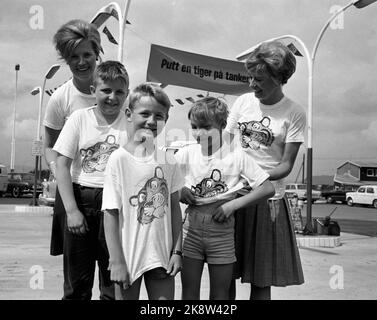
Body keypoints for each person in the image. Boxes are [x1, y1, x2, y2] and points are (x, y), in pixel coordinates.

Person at [225, 41, 306, 300]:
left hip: (267, 201)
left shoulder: (294, 112)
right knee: (224, 272)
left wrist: (255, 176)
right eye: (250, 77)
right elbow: (224, 146)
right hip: (233, 195)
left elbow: (285, 165)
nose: (252, 84)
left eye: (259, 79)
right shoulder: (243, 103)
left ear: (279, 78)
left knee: (260, 279)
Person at [175, 97, 275, 300]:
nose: (199, 133)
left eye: (205, 127)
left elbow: (267, 188)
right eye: (194, 127)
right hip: (191, 231)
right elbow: (167, 184)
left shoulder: (237, 156)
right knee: (189, 293)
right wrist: (180, 191)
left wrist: (233, 205)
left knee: (220, 295)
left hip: (221, 233)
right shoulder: (185, 154)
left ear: (222, 125)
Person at [53, 60, 130, 300]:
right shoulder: (79, 119)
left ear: (127, 93)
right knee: (77, 284)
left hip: (116, 206)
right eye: (106, 90)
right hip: (82, 200)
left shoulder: (131, 124)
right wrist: (72, 210)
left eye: (119, 91)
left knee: (113, 284)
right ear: (93, 91)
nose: (112, 97)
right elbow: (61, 165)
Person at [101, 83, 183, 300]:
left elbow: (175, 209)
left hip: (162, 257)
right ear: (129, 114)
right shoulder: (118, 159)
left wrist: (177, 251)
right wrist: (116, 260)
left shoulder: (168, 159)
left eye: (159, 115)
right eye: (145, 113)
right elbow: (110, 214)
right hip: (128, 258)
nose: (152, 121)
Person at [43, 19, 103, 256]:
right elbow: (50, 146)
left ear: (97, 53)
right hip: (74, 191)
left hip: (109, 189)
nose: (81, 62)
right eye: (73, 57)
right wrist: (58, 171)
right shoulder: (60, 98)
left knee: (114, 275)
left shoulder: (116, 91)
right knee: (77, 275)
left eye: (87, 54)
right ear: (66, 59)